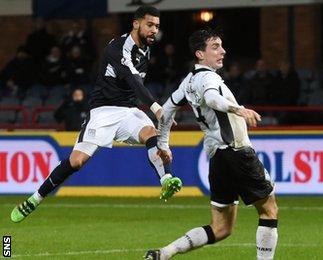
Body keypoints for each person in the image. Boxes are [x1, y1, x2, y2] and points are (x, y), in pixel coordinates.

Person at [10, 6, 182, 223]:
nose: (153, 30)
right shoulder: (118, 48)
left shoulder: (146, 49)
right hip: (103, 111)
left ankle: (166, 179)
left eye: (156, 26)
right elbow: (133, 80)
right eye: (149, 25)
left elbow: (134, 87)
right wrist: (158, 108)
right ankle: (34, 199)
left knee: (150, 133)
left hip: (128, 111)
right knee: (77, 161)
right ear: (136, 23)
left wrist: (156, 120)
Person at [145, 28, 278, 260]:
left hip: (217, 158)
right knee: (269, 210)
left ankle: (165, 253)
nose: (222, 51)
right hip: (237, 153)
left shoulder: (188, 81)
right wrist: (239, 109)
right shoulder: (209, 78)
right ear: (199, 54)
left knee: (221, 229)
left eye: (221, 46)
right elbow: (211, 98)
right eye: (215, 47)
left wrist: (163, 144)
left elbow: (165, 111)